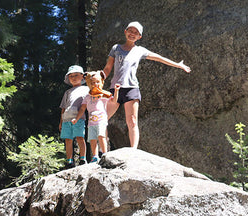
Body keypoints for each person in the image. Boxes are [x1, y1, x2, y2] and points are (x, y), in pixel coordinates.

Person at [103, 21, 191, 149]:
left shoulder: (140, 50)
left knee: (132, 121)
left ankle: (133, 150)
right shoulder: (116, 48)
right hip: (115, 88)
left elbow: (159, 58)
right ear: (125, 32)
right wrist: (98, 78)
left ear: (139, 37)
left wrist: (178, 64)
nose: (132, 34)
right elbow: (107, 68)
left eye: (136, 33)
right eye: (130, 31)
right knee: (102, 118)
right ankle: (102, 149)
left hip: (131, 88)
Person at [72, 71, 120, 163]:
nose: (95, 84)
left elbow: (114, 101)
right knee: (92, 139)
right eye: (92, 82)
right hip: (91, 122)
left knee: (101, 136)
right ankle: (95, 156)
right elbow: (82, 109)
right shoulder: (88, 96)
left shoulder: (103, 94)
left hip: (101, 120)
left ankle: (105, 154)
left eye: (97, 82)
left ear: (101, 82)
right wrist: (76, 119)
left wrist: (116, 91)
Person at [59, 65, 89, 169]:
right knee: (68, 139)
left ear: (82, 76)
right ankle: (69, 161)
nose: (73, 77)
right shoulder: (67, 92)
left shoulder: (86, 89)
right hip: (66, 119)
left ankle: (82, 158)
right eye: (71, 76)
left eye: (76, 75)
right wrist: (61, 122)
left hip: (79, 118)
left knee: (80, 137)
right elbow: (63, 107)